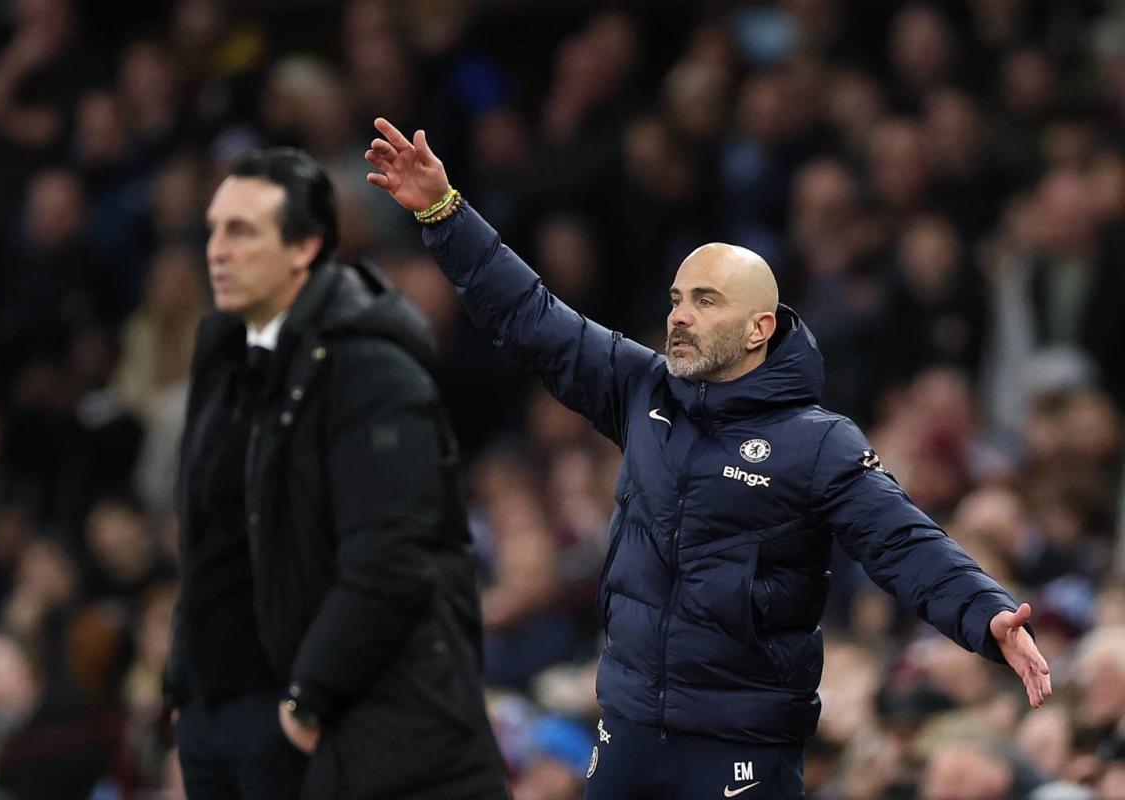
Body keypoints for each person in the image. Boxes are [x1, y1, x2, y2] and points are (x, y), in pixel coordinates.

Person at [364, 118, 1053, 800]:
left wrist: (984, 612)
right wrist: (443, 211)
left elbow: (903, 543)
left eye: (705, 300)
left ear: (759, 328)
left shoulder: (818, 442)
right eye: (676, 300)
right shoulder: (641, 388)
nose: (679, 316)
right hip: (629, 728)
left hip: (741, 747)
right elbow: (531, 314)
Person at [163, 147, 508, 800]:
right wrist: (187, 685)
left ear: (305, 247)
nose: (217, 251)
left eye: (242, 232)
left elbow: (390, 561)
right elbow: (207, 538)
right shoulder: (223, 353)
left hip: (323, 721)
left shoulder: (370, 367)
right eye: (214, 230)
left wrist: (305, 704)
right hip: (217, 720)